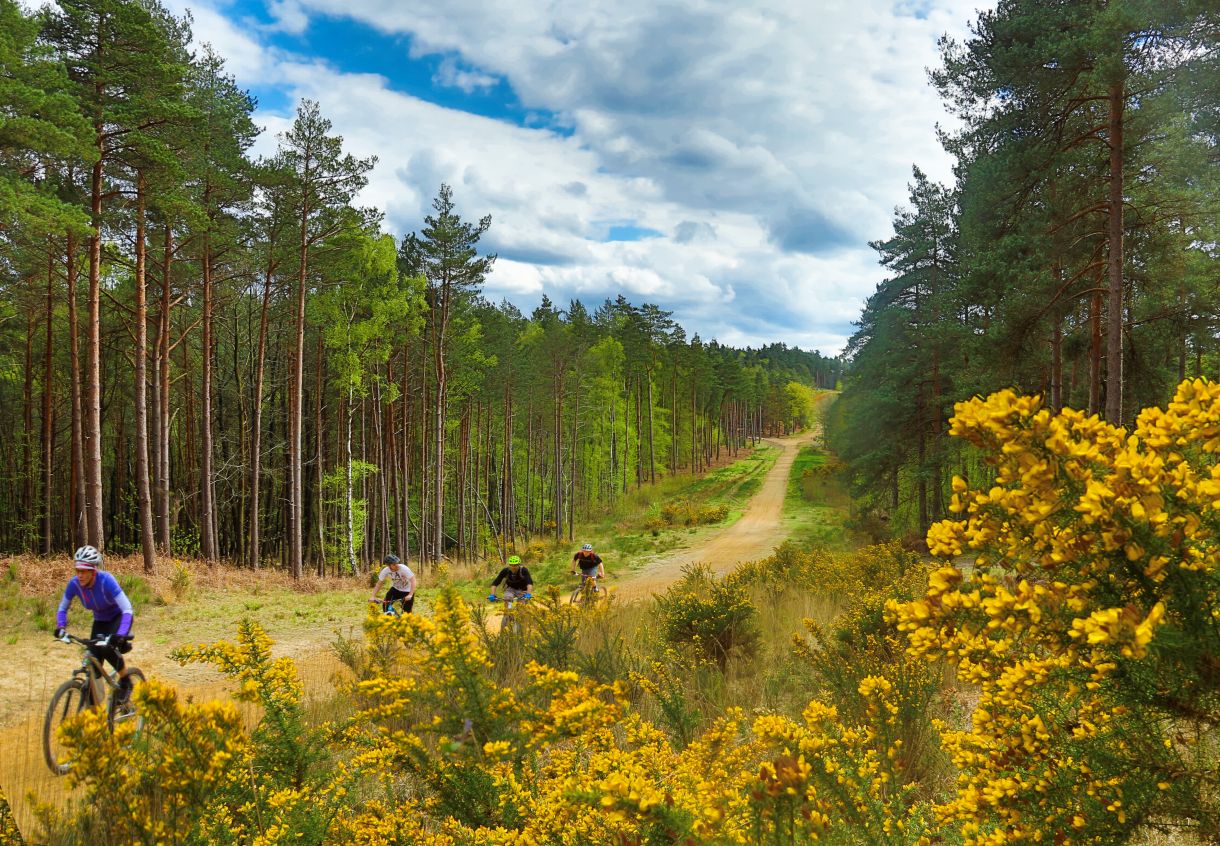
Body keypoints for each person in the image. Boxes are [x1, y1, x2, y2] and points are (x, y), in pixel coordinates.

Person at [54, 545, 135, 703]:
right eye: (77, 570)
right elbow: (62, 607)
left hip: (117, 618)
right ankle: (95, 706)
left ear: (93, 571)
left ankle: (126, 681)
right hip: (99, 621)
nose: (80, 575)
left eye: (84, 571)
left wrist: (121, 633)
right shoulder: (74, 584)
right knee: (93, 662)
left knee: (106, 648)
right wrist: (61, 627)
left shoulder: (107, 581)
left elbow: (127, 609)